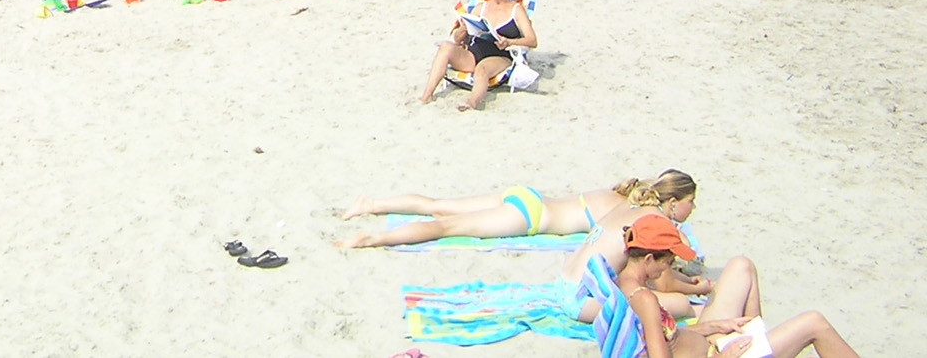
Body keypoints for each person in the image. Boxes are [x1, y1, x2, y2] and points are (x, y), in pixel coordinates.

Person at [614, 213, 862, 358]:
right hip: (719, 354)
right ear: (648, 259)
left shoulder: (623, 284)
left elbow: (670, 338)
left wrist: (716, 326)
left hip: (712, 343)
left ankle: (762, 343)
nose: (668, 268)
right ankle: (763, 347)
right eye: (668, 262)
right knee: (814, 322)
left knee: (741, 266)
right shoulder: (645, 300)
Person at [340, 169, 698, 257]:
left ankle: (370, 205)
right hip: (530, 218)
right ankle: (372, 238)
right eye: (690, 202)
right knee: (444, 227)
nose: (692, 209)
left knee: (438, 205)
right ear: (673, 201)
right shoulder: (637, 213)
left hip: (528, 197)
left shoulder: (624, 191)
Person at [412, 0, 538, 110]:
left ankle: (471, 103)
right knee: (445, 47)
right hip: (473, 54)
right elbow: (458, 40)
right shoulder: (480, 7)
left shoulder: (516, 10)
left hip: (500, 55)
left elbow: (532, 40)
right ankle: (426, 95)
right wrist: (463, 29)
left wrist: (509, 42)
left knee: (482, 69)